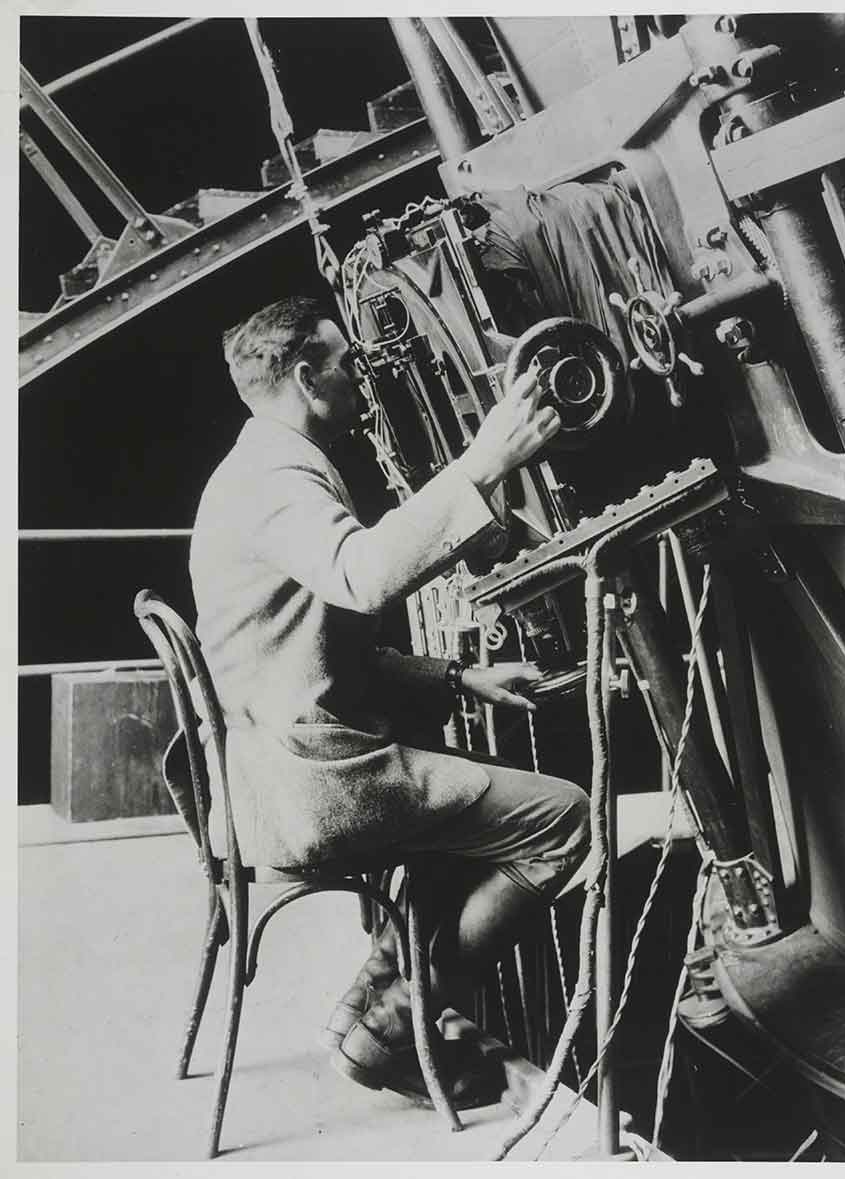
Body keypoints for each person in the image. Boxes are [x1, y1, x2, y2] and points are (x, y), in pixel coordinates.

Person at [190, 294, 590, 1104]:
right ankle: (397, 1023)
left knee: (460, 811)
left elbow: (313, 651)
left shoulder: (256, 466)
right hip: (310, 784)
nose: (361, 379)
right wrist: (482, 461)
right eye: (348, 364)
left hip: (274, 764)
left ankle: (366, 1007)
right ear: (307, 377)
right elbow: (364, 574)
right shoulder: (276, 476)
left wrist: (455, 679)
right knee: (565, 818)